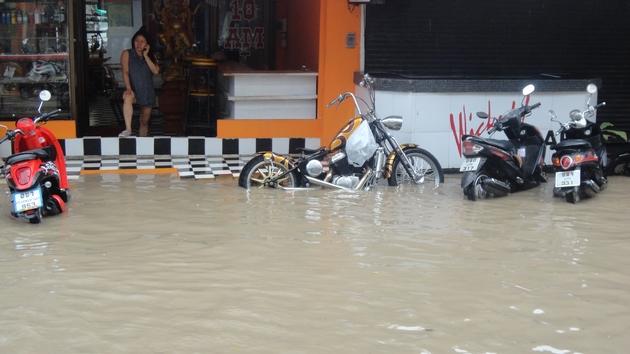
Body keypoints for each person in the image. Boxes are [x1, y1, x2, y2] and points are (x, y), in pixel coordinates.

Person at [118, 28, 160, 137]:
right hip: (133, 90)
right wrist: (128, 88)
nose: (139, 43)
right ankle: (128, 129)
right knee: (127, 97)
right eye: (137, 40)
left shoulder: (151, 57)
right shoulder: (127, 53)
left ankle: (142, 146)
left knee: (144, 122)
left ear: (147, 44)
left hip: (147, 92)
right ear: (133, 41)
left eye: (142, 41)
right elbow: (125, 72)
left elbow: (155, 71)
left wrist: (146, 55)